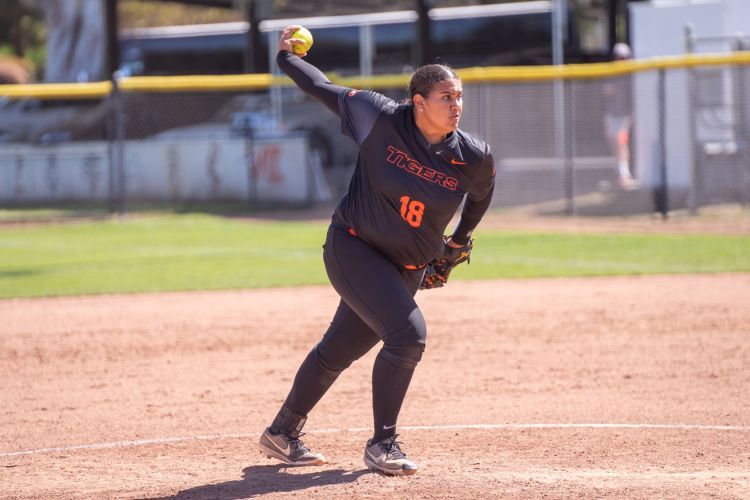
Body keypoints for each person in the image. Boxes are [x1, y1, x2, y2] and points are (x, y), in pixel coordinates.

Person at [257, 25, 495, 476]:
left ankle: (281, 432)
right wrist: (287, 58)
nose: (456, 105)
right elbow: (319, 86)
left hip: (408, 267)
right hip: (353, 247)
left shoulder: (474, 156)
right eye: (446, 97)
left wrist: (459, 240)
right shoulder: (378, 116)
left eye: (459, 96)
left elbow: (481, 194)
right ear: (418, 102)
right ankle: (383, 443)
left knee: (337, 350)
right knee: (408, 336)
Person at [603, 42, 636, 188]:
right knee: (612, 141)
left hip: (625, 114)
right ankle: (619, 172)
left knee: (620, 141)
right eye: (618, 57)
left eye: (623, 57)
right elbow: (605, 91)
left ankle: (624, 174)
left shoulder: (631, 74)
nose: (621, 60)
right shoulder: (611, 73)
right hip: (612, 113)